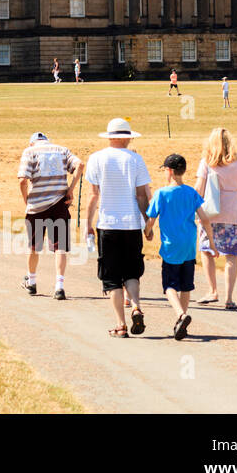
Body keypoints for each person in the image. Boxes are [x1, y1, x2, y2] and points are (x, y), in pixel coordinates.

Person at [84, 118, 152, 338]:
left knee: (111, 277)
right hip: (131, 224)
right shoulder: (136, 160)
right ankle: (136, 306)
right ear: (124, 137)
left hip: (108, 224)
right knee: (132, 272)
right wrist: (147, 223)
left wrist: (87, 224)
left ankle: (121, 324)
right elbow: (142, 195)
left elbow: (94, 196)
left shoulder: (96, 159)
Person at [145, 153, 219, 340]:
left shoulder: (161, 194)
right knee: (186, 285)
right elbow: (204, 219)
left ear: (169, 171)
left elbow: (151, 220)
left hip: (171, 246)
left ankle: (181, 315)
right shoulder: (191, 193)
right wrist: (211, 242)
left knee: (169, 285)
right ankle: (181, 325)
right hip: (188, 244)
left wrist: (147, 232)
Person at [17, 131, 82, 300]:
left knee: (33, 246)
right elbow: (80, 165)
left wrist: (26, 200)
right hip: (60, 204)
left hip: (37, 206)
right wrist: (70, 189)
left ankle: (31, 282)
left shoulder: (29, 152)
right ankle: (59, 287)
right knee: (60, 247)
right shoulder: (61, 150)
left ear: (32, 143)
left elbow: (23, 180)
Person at [193, 127, 237, 308]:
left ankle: (212, 290)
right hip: (236, 213)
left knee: (206, 250)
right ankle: (229, 298)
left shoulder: (206, 163)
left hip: (212, 213)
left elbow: (198, 191)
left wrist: (196, 212)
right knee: (231, 255)